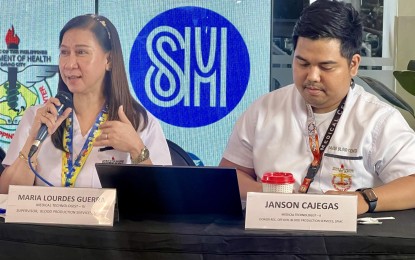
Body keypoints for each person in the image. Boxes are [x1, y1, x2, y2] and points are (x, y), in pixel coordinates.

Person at [220, 0, 415, 215]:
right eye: (302, 63)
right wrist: (265, 194)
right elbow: (230, 175)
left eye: (326, 66)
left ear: (353, 65)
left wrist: (362, 199)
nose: (312, 77)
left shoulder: (378, 120)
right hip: (271, 236)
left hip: (346, 241)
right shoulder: (264, 109)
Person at [0, 14, 172, 193]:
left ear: (109, 60)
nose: (69, 64)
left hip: (112, 222)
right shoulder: (39, 117)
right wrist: (32, 142)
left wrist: (137, 149)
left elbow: (164, 201)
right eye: (64, 52)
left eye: (81, 52)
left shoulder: (140, 122)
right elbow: (5, 196)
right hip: (45, 222)